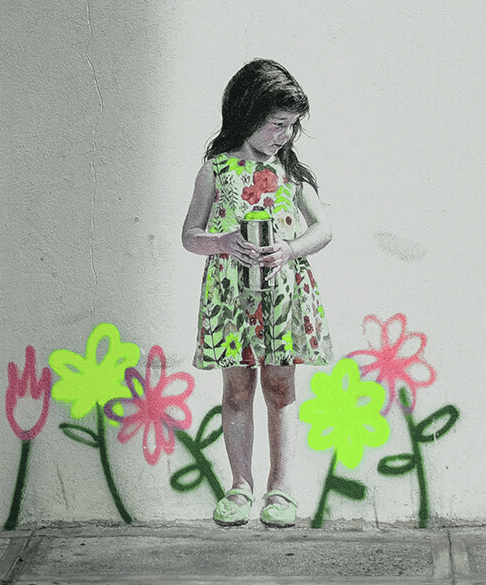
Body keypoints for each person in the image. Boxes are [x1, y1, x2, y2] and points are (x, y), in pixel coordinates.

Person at [181, 59, 334, 528]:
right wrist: (222, 243)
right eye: (277, 124)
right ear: (248, 116)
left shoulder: (289, 172)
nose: (284, 135)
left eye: (291, 126)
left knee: (280, 385)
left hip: (282, 295)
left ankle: (281, 487)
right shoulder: (217, 169)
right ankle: (240, 484)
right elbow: (190, 234)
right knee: (238, 386)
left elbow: (323, 228)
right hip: (230, 297)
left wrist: (288, 250)